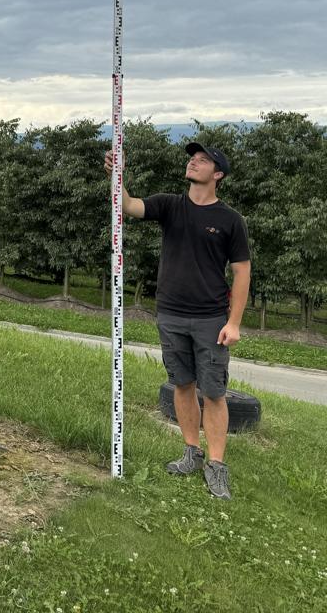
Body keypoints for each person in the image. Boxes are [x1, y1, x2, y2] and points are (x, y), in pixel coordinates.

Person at [104, 141, 251, 500]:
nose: (194, 162)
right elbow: (129, 205)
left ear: (218, 175)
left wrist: (233, 323)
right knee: (182, 385)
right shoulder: (170, 205)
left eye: (203, 161)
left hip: (210, 319)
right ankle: (191, 453)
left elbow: (242, 272)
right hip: (170, 313)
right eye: (193, 158)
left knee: (214, 393)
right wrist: (116, 177)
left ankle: (217, 467)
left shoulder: (230, 220)